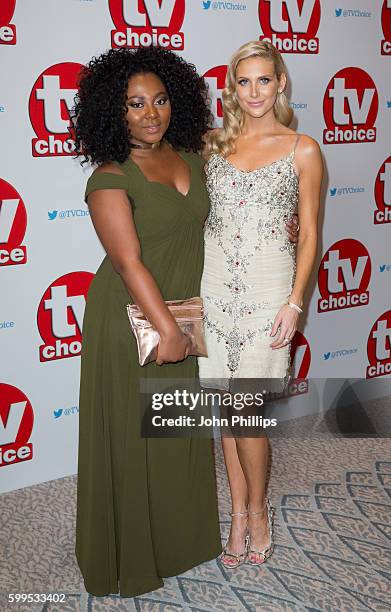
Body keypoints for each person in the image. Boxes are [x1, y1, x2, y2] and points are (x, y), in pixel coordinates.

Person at [72, 46, 222, 597]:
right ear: (114, 113)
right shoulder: (110, 177)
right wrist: (168, 331)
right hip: (132, 321)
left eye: (160, 100)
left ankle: (181, 542)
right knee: (135, 436)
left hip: (182, 313)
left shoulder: (192, 154)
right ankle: (132, 556)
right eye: (135, 104)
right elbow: (128, 261)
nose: (151, 113)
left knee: (174, 432)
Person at [199, 41, 323, 568]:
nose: (254, 92)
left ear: (281, 83)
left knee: (245, 412)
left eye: (264, 80)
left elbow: (311, 235)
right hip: (214, 288)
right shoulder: (210, 146)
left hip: (271, 291)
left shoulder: (304, 148)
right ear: (232, 87)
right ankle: (238, 516)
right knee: (224, 413)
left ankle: (258, 508)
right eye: (243, 81)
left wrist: (296, 302)